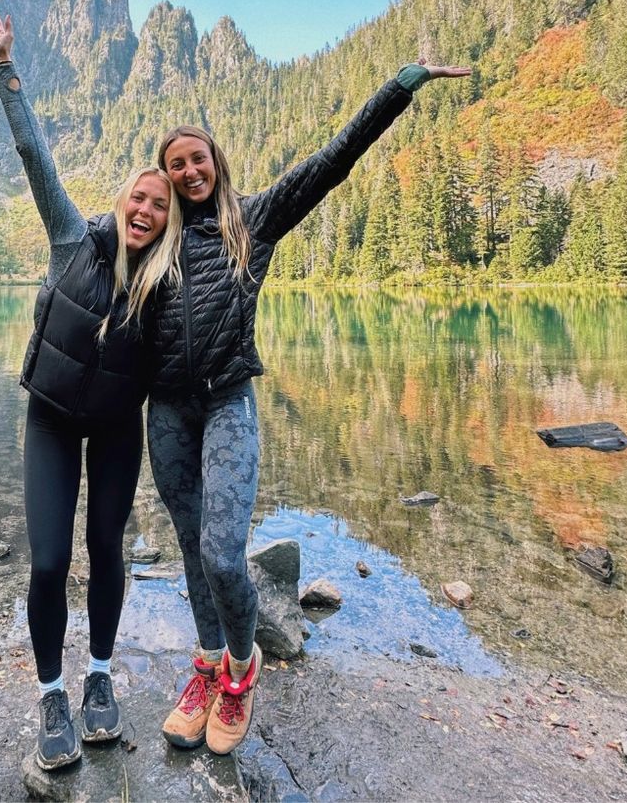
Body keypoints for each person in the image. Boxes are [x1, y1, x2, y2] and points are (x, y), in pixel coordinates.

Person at [148, 59, 471, 755]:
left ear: (216, 163)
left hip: (229, 405)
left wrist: (402, 85)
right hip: (167, 414)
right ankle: (204, 669)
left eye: (197, 159)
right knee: (189, 547)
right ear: (166, 175)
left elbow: (333, 162)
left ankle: (240, 669)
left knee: (224, 556)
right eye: (175, 164)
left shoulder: (253, 219)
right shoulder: (155, 237)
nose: (188, 172)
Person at [0, 5, 183, 771]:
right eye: (140, 197)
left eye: (160, 206)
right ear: (123, 201)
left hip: (118, 428)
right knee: (47, 561)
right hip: (54, 421)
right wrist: (3, 68)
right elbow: (33, 152)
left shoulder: (164, 286)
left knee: (107, 547)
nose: (146, 209)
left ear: (166, 223)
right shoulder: (72, 236)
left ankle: (100, 680)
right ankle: (51, 692)